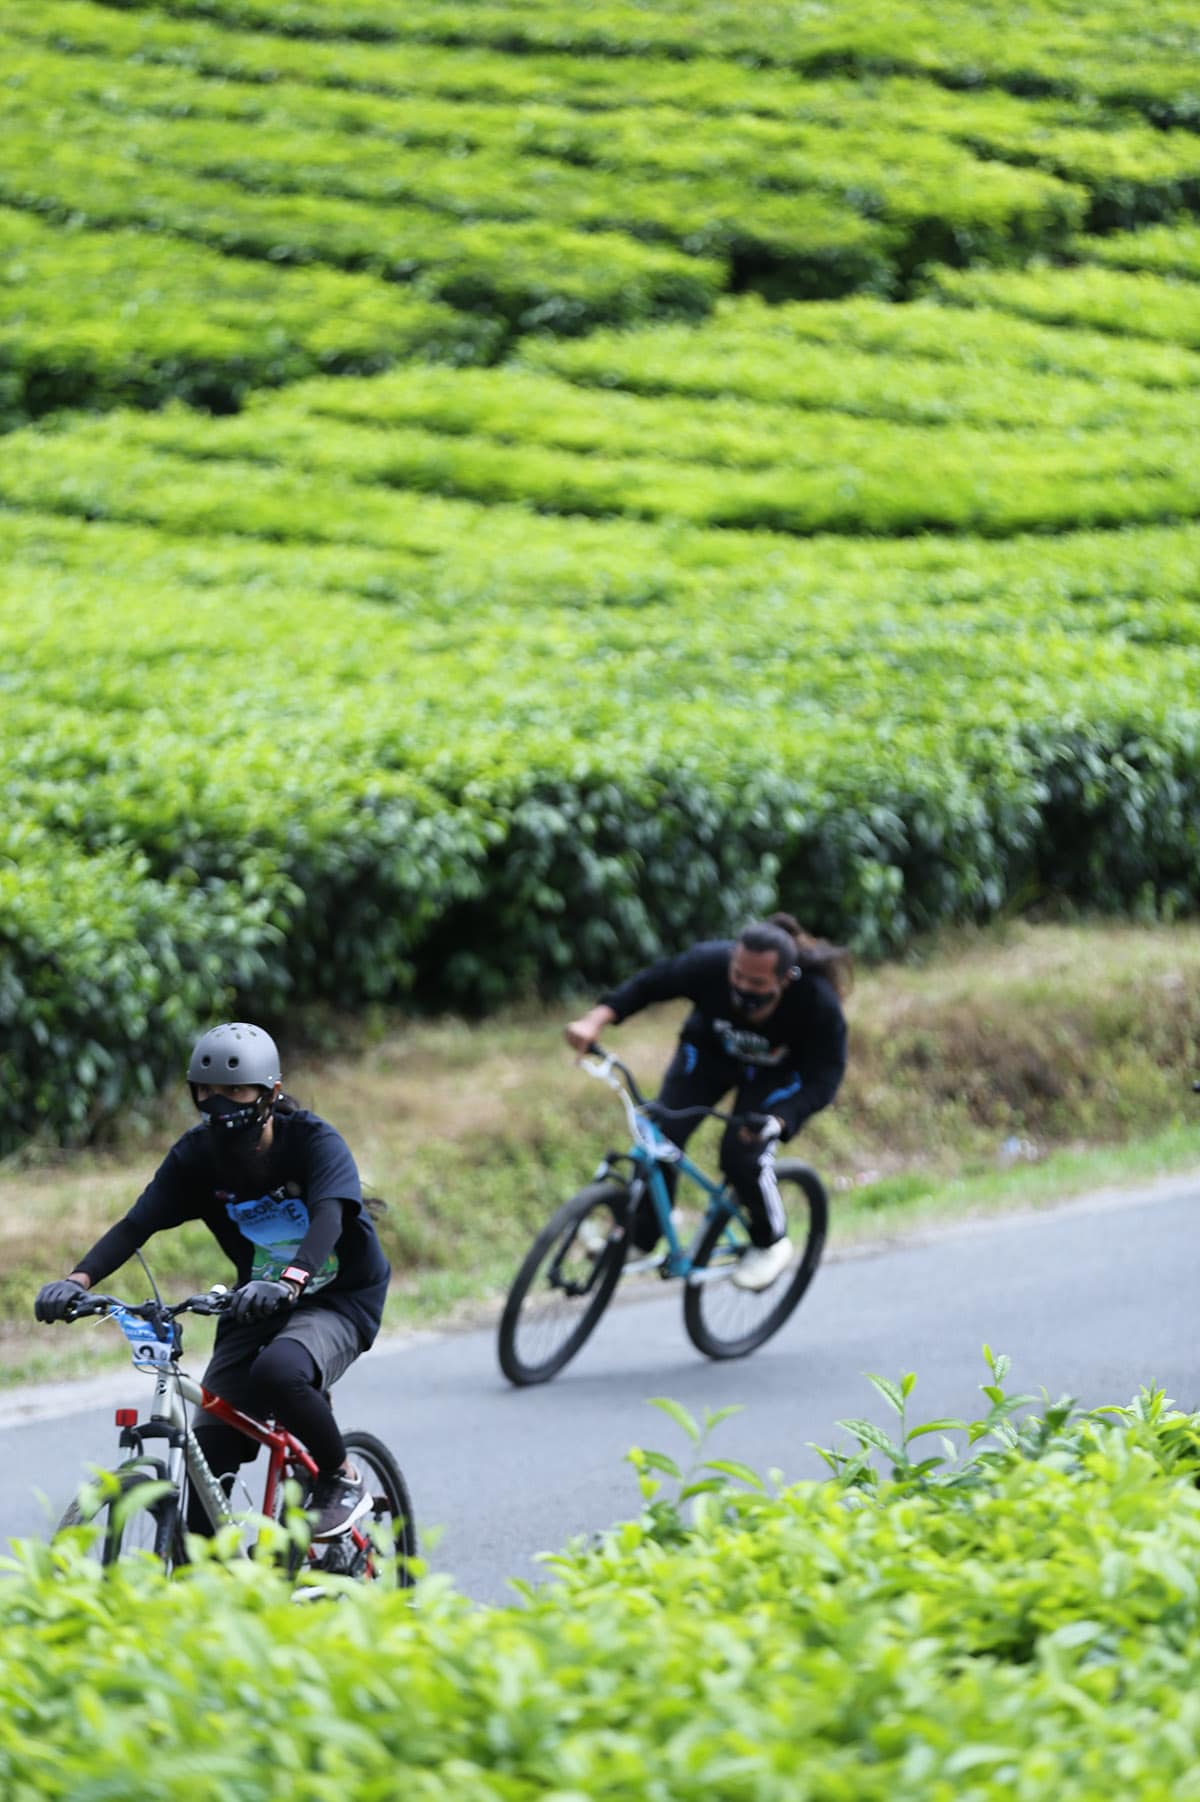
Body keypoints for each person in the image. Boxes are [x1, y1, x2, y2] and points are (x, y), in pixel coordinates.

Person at [34, 1022, 391, 1540]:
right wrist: (76, 1280)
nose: (220, 1104)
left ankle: (341, 1477)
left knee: (279, 1371)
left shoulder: (313, 1142)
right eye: (208, 1092)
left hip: (340, 1295)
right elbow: (138, 1224)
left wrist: (290, 1281)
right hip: (255, 1301)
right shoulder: (197, 1157)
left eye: (236, 1091)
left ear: (270, 1093)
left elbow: (330, 1217)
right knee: (209, 1474)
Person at [565, 913, 849, 1291]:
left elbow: (825, 1076)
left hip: (776, 1075)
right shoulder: (710, 964)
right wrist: (596, 1019)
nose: (743, 987)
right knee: (659, 1134)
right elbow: (653, 983)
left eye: (757, 982)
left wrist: (780, 1121)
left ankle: (770, 1242)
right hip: (710, 1056)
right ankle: (640, 1237)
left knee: (741, 1154)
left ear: (785, 978)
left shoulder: (816, 1002)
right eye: (738, 975)